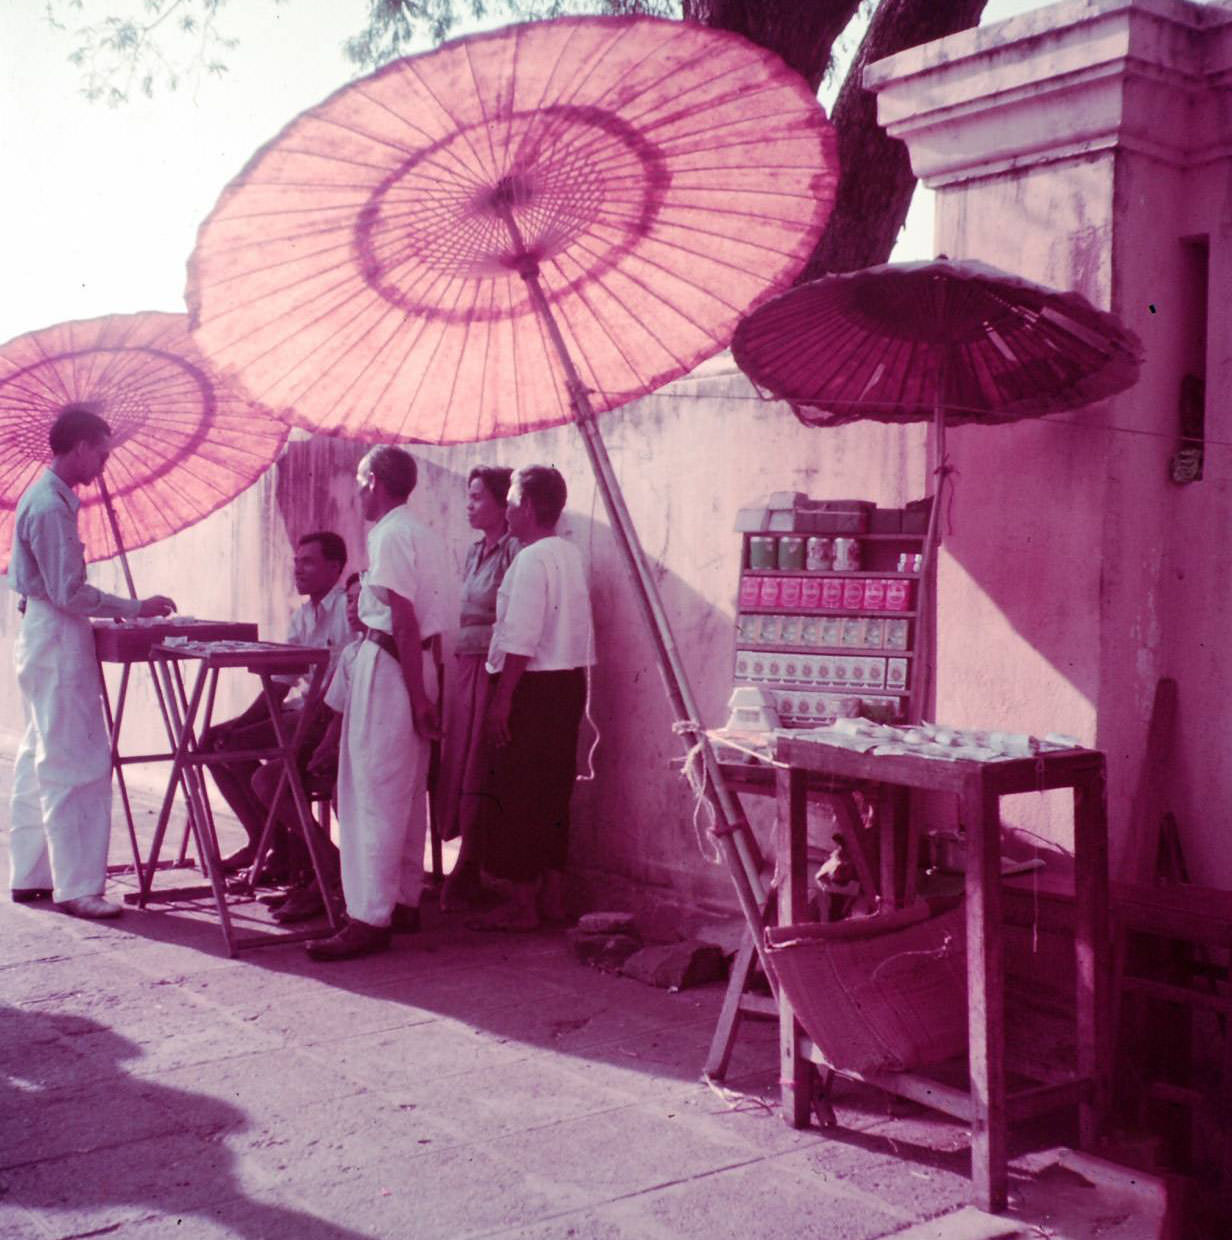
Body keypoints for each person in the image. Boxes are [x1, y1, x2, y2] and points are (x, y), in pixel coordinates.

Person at [7, 405, 176, 918]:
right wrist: (132, 607)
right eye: (101, 454)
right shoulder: (51, 506)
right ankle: (78, 887)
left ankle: (33, 873)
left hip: (45, 633)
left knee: (42, 752)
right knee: (75, 760)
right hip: (56, 635)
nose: (102, 465)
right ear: (79, 447)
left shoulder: (49, 500)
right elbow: (67, 590)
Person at [306, 446, 452, 961]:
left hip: (393, 667)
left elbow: (404, 619)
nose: (358, 491)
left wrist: (414, 696)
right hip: (418, 666)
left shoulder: (390, 534)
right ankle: (403, 898)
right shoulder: (424, 533)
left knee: (372, 789)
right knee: (407, 790)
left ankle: (369, 915)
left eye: (361, 481)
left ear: (375, 482)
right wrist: (424, 691)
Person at [469, 465, 594, 933]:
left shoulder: (531, 559)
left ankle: (523, 903)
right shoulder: (569, 555)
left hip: (533, 686)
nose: (510, 510)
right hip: (567, 684)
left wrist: (503, 701)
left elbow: (520, 637)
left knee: (518, 793)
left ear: (530, 507)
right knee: (552, 792)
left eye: (514, 502)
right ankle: (554, 898)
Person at [202, 531, 351, 876]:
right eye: (296, 563)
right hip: (301, 712)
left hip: (329, 718)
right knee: (214, 739)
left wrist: (242, 733)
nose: (298, 570)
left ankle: (310, 855)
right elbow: (279, 686)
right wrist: (239, 725)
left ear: (335, 568)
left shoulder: (347, 608)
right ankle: (263, 838)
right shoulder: (302, 617)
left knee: (242, 752)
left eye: (308, 562)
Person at [260, 571, 364, 925]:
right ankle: (299, 863)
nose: (354, 608)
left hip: (349, 739)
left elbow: (335, 712)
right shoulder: (351, 648)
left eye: (362, 599)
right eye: (351, 600)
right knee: (239, 752)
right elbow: (290, 681)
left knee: (274, 775)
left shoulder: (374, 652)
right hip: (321, 721)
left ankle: (322, 872)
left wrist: (327, 745)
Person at [437, 466, 519, 912]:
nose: (469, 506)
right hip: (464, 664)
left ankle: (470, 864)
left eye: (476, 498)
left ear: (503, 504)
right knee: (458, 761)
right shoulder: (472, 553)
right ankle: (463, 863)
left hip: (491, 666)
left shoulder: (513, 551)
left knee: (478, 764)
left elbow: (509, 616)